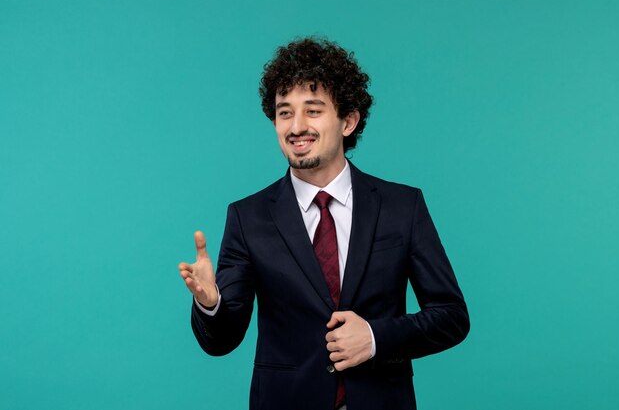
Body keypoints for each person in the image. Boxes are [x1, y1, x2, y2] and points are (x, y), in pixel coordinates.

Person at [178, 37, 469, 410]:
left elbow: (451, 317)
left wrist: (375, 337)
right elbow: (220, 343)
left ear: (348, 121)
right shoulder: (248, 217)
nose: (296, 126)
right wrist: (211, 304)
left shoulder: (402, 206)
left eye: (312, 110)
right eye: (284, 112)